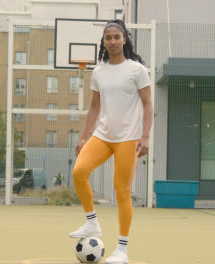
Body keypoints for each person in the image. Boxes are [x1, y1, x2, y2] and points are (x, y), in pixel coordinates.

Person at [69, 19, 153, 264]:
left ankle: (122, 252)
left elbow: (148, 104)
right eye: (108, 38)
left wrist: (146, 135)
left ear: (124, 39)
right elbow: (94, 107)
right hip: (103, 136)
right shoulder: (99, 71)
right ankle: (92, 223)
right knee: (79, 171)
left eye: (117, 37)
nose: (113, 41)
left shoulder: (137, 70)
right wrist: (84, 136)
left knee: (122, 193)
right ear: (103, 42)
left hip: (129, 138)